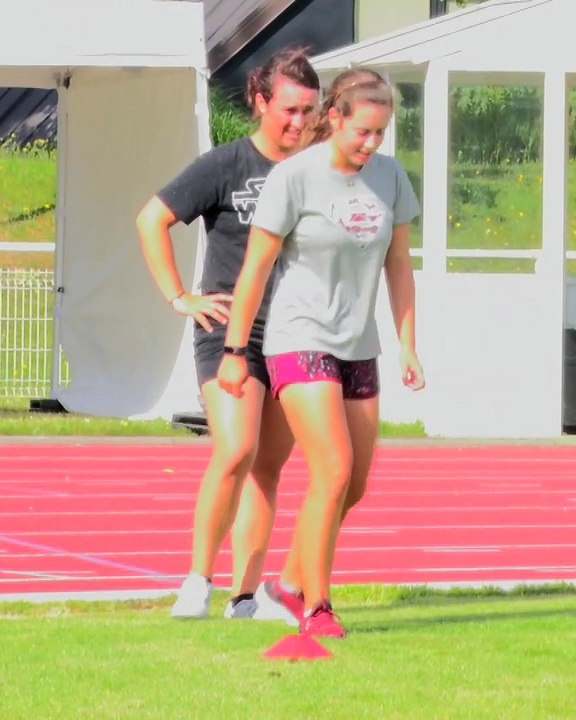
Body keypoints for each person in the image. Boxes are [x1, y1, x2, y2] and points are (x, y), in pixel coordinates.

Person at [218, 68, 424, 638]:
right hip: (299, 335)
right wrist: (235, 350)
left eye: (381, 133)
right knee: (330, 469)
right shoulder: (294, 178)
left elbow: (399, 264)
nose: (372, 143)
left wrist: (407, 343)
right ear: (334, 117)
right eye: (363, 131)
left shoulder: (391, 178)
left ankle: (287, 580)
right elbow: (255, 268)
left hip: (359, 343)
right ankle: (317, 606)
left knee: (352, 484)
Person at [136, 48, 320, 620]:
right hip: (227, 332)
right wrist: (179, 297)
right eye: (289, 110)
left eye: (309, 112)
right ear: (260, 102)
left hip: (292, 333)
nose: (299, 123)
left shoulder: (317, 172)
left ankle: (246, 596)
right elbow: (152, 219)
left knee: (268, 467)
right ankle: (197, 580)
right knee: (236, 449)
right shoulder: (225, 165)